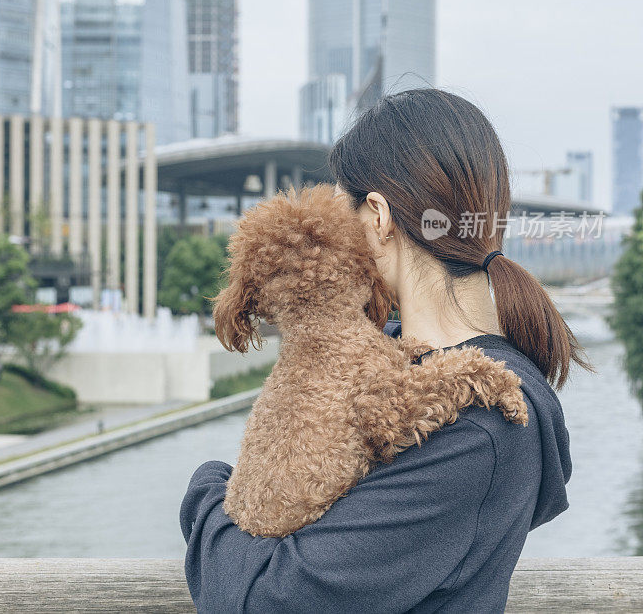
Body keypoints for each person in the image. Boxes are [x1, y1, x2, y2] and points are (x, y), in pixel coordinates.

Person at [180, 89, 589, 613]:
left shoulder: (480, 426)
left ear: (377, 217)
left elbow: (266, 599)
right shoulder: (390, 354)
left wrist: (207, 490)